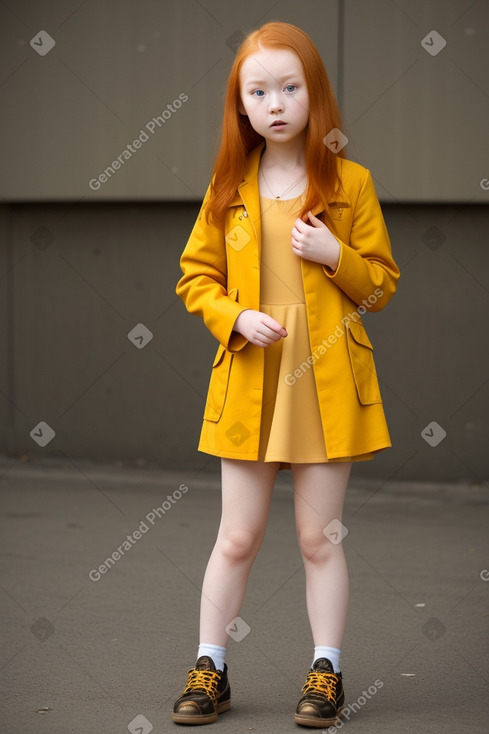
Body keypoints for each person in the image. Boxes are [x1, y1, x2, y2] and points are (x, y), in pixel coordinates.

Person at [172, 20, 400, 728]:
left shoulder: (350, 184)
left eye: (290, 87)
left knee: (315, 538)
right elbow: (194, 278)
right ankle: (210, 666)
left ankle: (325, 669)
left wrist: (335, 252)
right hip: (252, 376)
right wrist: (234, 318)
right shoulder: (225, 186)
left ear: (314, 95)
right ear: (240, 105)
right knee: (235, 535)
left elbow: (379, 287)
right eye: (258, 91)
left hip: (325, 379)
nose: (274, 103)